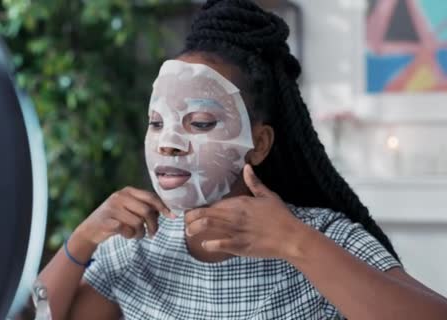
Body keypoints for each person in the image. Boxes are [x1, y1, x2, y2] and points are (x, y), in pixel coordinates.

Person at [38, 1, 447, 319]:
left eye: (198, 122)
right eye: (157, 123)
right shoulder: (137, 250)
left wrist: (295, 244)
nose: (168, 143)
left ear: (259, 143)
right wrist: (81, 240)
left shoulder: (322, 236)